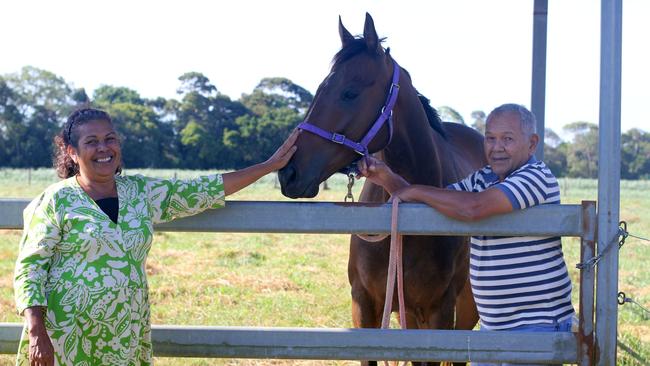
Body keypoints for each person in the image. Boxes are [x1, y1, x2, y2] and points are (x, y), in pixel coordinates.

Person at [14, 107, 300, 366]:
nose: (104, 148)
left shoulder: (140, 192)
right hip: (65, 335)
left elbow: (202, 190)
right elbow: (30, 268)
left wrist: (268, 166)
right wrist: (37, 330)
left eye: (110, 139)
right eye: (91, 142)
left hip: (123, 334)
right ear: (72, 151)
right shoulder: (56, 200)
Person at [357, 103, 575, 366]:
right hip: (492, 328)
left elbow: (474, 208)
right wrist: (387, 178)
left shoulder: (536, 177)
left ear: (532, 144)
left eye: (507, 139)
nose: (496, 147)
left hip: (535, 327)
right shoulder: (484, 178)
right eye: (490, 138)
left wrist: (411, 191)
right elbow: (435, 201)